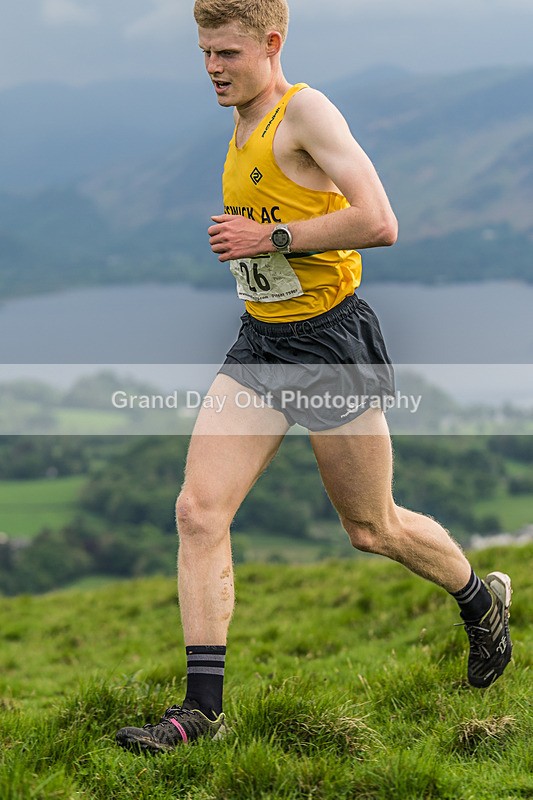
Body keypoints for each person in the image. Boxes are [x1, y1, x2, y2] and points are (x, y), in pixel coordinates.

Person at [116, 0, 512, 753]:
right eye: (204, 53)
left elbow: (379, 221)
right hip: (261, 344)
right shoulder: (241, 119)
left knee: (371, 528)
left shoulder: (306, 112)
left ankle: (478, 599)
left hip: (329, 346)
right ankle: (201, 712)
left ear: (271, 43)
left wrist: (269, 237)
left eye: (227, 53)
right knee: (198, 512)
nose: (212, 68)